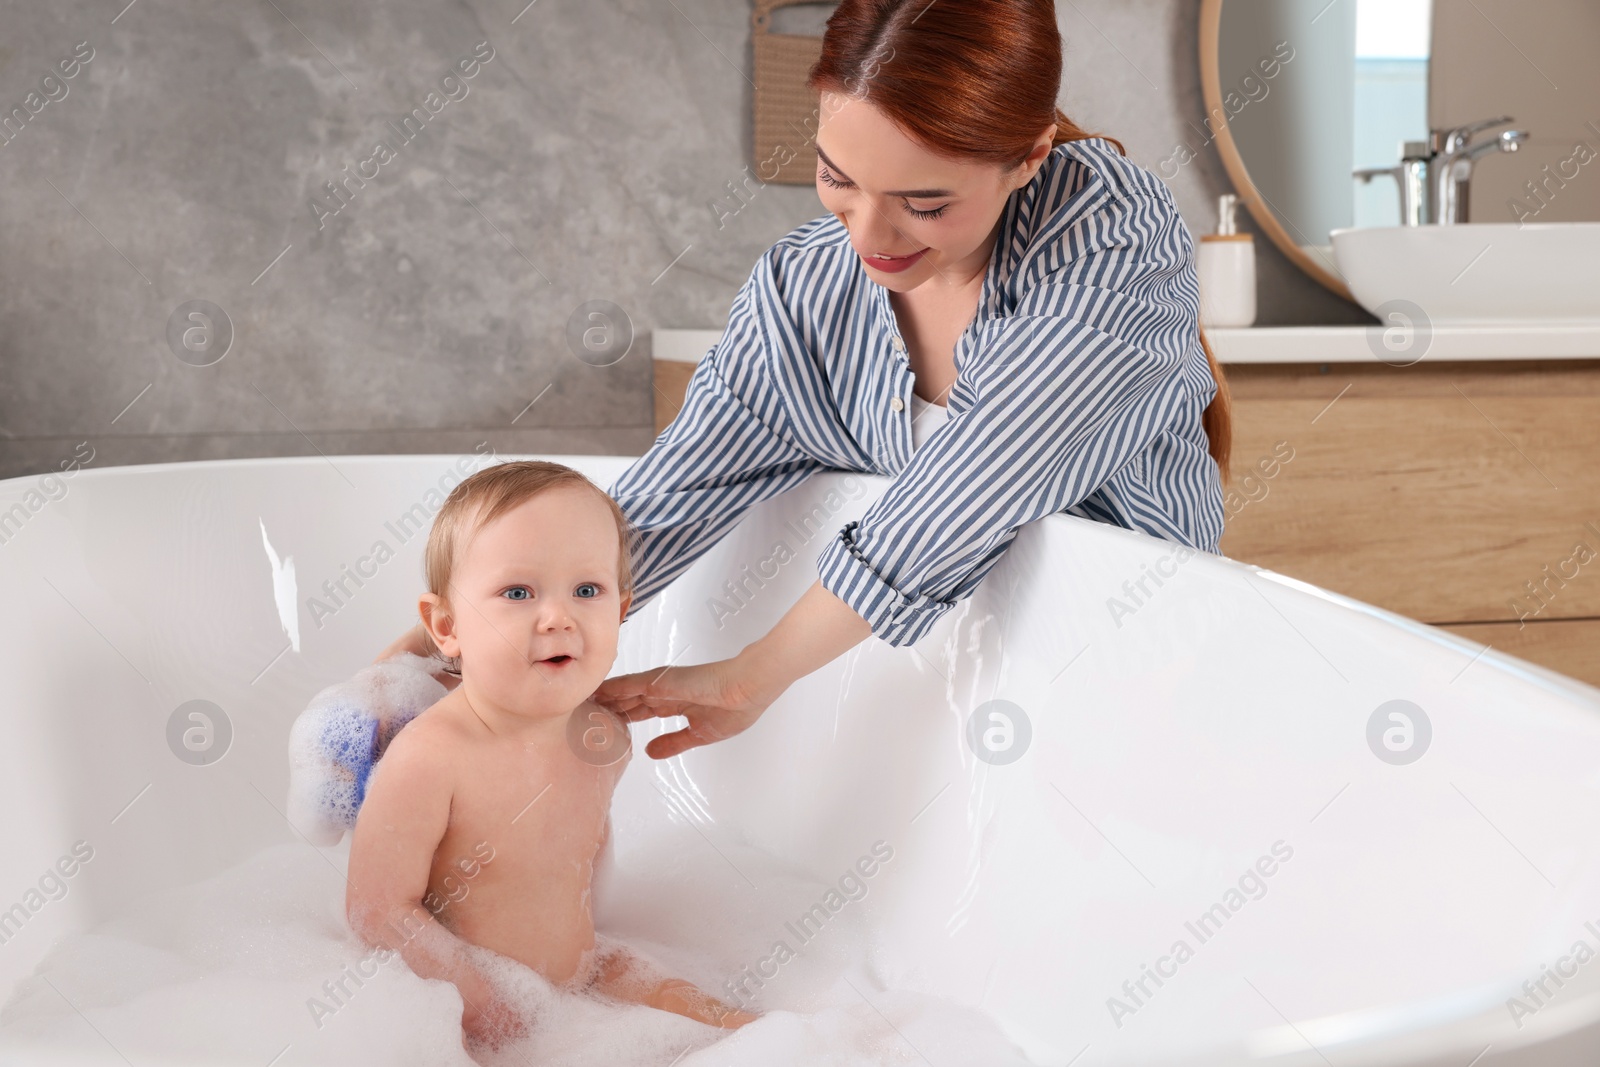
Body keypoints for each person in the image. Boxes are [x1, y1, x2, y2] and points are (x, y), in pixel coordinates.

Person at [376, 0, 1231, 762]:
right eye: (837, 178)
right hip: (948, 708)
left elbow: (983, 471)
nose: (871, 232)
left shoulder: (1112, 231)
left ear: (1030, 155)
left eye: (925, 202)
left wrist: (751, 677)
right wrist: (402, 676)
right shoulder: (810, 286)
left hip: (1131, 680)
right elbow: (668, 496)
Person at [346, 461, 755, 1052]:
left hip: (584, 976)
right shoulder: (432, 758)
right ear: (445, 625)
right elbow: (377, 912)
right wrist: (481, 1001)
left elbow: (581, 862)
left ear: (620, 609)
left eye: (587, 590)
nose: (559, 616)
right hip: (461, 1007)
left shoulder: (602, 735)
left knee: (734, 1028)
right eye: (518, 592)